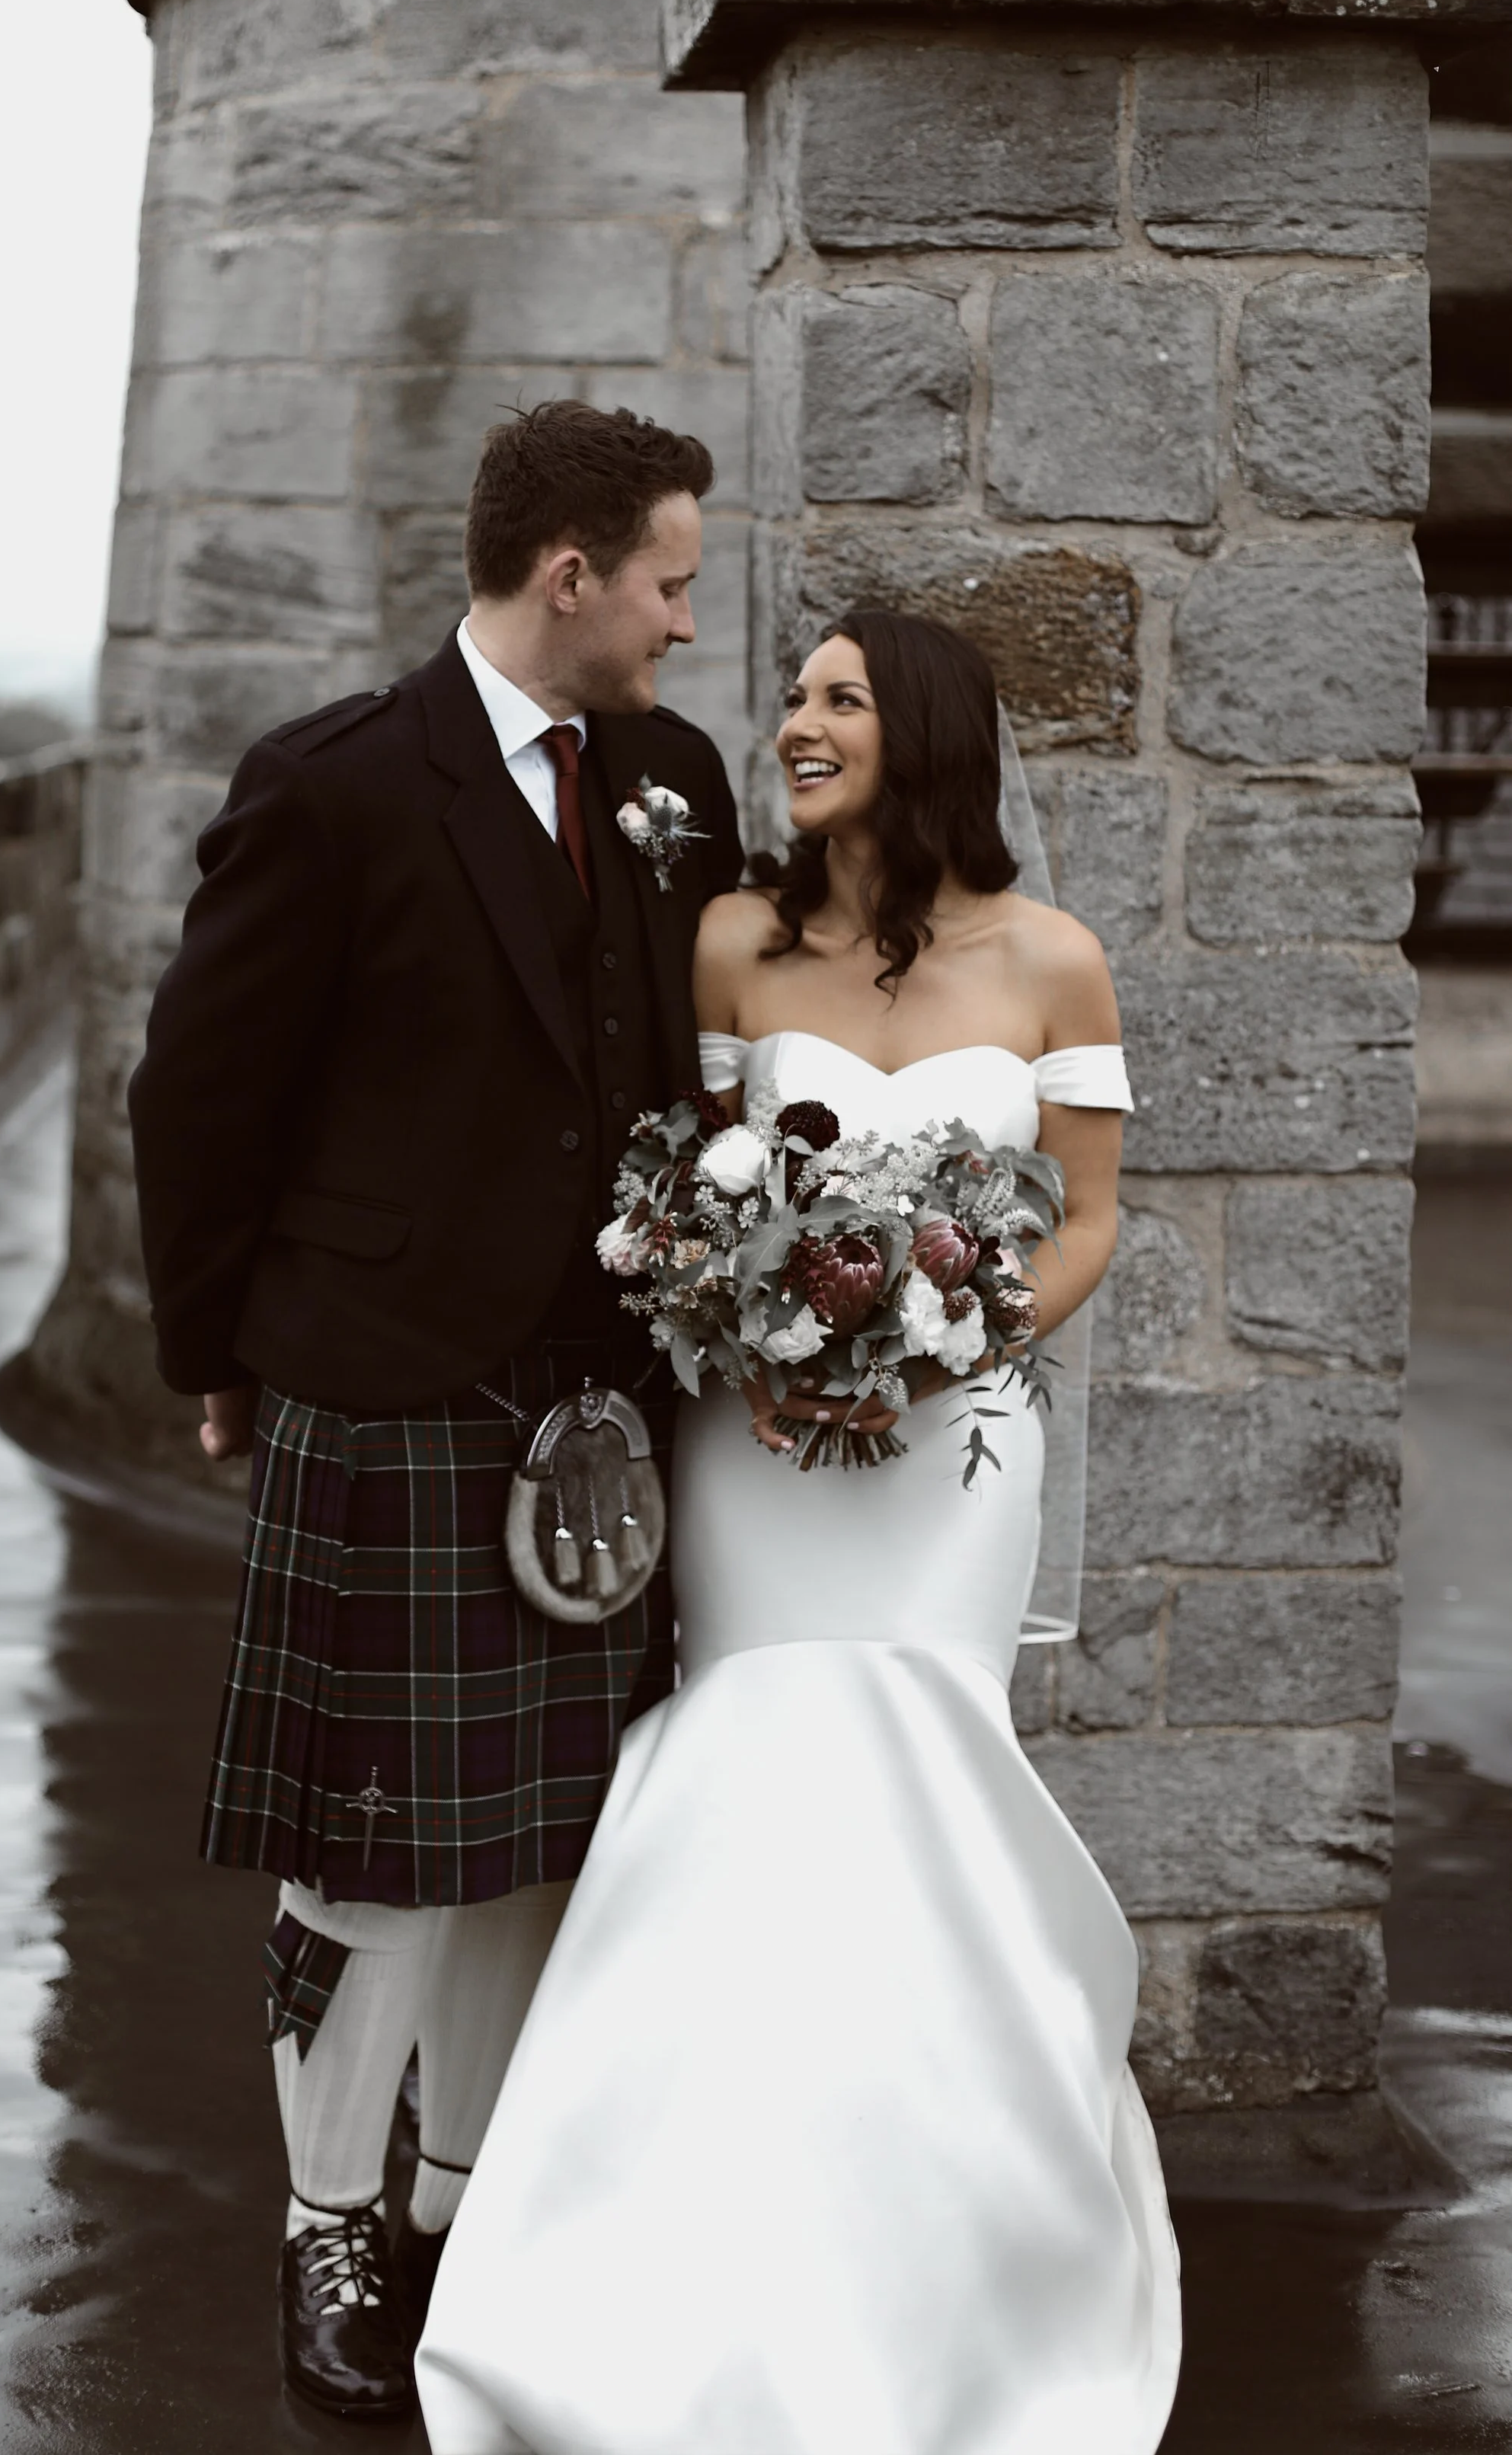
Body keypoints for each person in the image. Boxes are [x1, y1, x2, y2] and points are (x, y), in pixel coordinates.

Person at [417, 609, 1182, 2455]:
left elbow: (1076, 1221)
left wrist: (948, 1347)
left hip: (946, 1465)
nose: (793, 724)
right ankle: (674, 2268)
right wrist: (746, 1335)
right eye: (791, 697)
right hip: (755, 1452)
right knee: (741, 1789)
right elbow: (692, 1188)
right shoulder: (735, 941)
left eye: (835, 699)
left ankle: (964, 2273)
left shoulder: (1052, 961)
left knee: (921, 1777)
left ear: (919, 734)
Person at [126, 401, 744, 2420]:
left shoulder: (672, 779)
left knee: (545, 1842)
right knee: (376, 1844)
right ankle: (331, 2211)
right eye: (662, 575)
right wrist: (217, 1347)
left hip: (608, 1386)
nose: (680, 614)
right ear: (563, 570)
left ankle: (466, 2200)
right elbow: (198, 1095)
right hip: (392, 1370)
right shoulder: (334, 784)